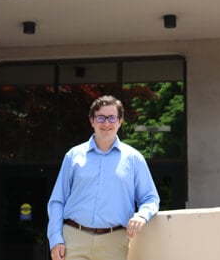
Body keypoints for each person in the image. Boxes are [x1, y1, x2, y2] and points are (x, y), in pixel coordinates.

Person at [47, 95, 160, 260]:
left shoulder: (134, 159)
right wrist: (55, 238)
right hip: (74, 239)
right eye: (101, 118)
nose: (106, 123)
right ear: (92, 121)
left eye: (112, 118)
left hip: (115, 243)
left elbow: (150, 198)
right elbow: (57, 201)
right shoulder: (73, 156)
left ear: (120, 122)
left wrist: (142, 215)